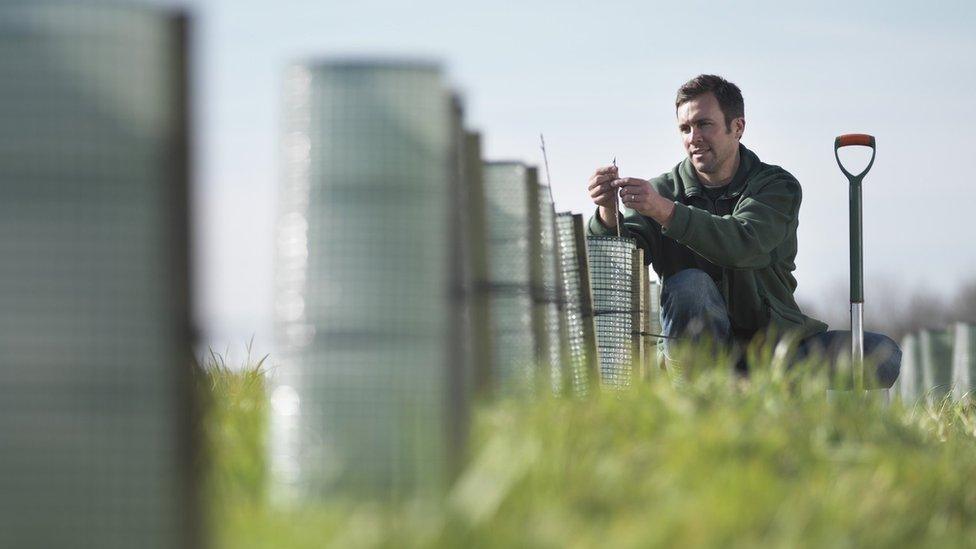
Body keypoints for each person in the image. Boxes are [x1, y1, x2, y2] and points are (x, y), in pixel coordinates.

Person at [586, 74, 900, 388]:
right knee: (689, 285)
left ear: (738, 127)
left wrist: (666, 212)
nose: (693, 137)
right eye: (685, 128)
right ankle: (700, 392)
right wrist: (607, 213)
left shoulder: (776, 187)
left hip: (776, 348)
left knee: (881, 354)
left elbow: (743, 243)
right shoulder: (662, 191)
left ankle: (753, 386)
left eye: (704, 124)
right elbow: (619, 267)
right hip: (696, 352)